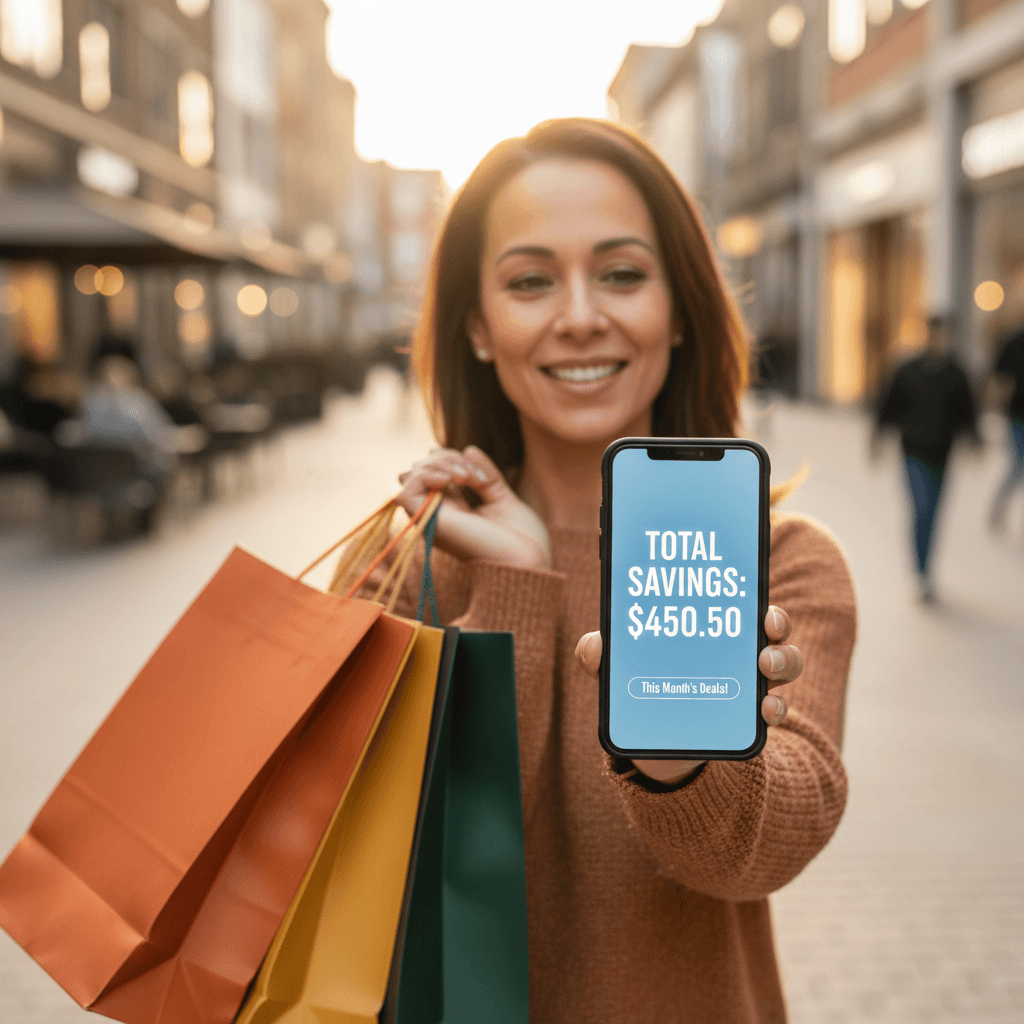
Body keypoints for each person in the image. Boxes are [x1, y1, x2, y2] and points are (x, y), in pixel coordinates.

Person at [375, 118, 856, 1024]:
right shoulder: (410, 564)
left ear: (679, 309)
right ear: (478, 326)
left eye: (623, 273)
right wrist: (516, 584)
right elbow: (398, 853)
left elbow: (768, 850)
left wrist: (679, 760)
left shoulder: (787, 564)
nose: (582, 314)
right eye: (530, 281)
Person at [874, 316, 979, 601]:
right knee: (921, 508)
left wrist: (974, 441)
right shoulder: (907, 370)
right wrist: (877, 439)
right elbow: (887, 404)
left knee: (933, 513)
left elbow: (968, 412)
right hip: (913, 452)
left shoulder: (956, 374)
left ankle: (926, 569)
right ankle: (919, 573)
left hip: (943, 454)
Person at [987, 321, 1024, 531]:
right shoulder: (1014, 342)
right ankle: (998, 511)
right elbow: (999, 377)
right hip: (1018, 416)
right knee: (1017, 467)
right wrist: (996, 407)